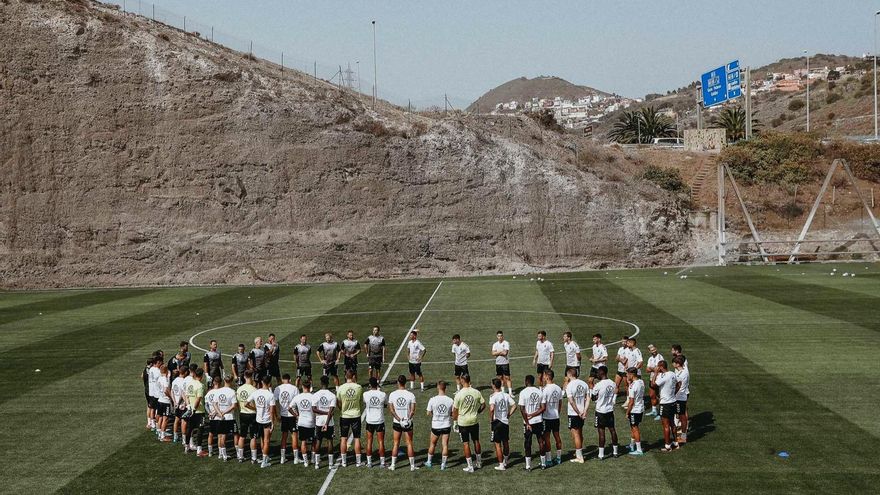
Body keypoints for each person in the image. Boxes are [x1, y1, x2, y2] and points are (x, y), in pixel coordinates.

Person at [453, 373, 485, 473]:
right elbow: (483, 404)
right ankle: (479, 462)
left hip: (463, 422)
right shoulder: (476, 392)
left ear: (462, 381)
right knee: (476, 440)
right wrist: (478, 411)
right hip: (474, 420)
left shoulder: (459, 394)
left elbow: (455, 410)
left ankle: (470, 466)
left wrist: (455, 422)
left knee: (466, 443)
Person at [388, 374, 418, 471]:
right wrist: (407, 419)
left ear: (398, 382)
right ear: (405, 382)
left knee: (396, 443)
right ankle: (412, 466)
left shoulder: (392, 394)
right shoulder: (411, 395)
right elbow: (412, 411)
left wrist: (399, 419)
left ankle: (393, 465)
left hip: (397, 422)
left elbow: (392, 410)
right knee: (409, 443)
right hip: (408, 422)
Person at [518, 375, 546, 471]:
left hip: (528, 423)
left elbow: (521, 409)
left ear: (526, 381)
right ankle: (543, 464)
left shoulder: (523, 392)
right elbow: (543, 408)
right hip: (539, 420)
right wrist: (534, 414)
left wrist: (527, 422)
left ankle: (528, 466)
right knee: (541, 441)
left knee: (528, 443)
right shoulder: (539, 391)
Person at [336, 370, 364, 467]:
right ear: (353, 376)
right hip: (356, 415)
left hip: (344, 416)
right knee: (357, 438)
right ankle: (358, 462)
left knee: (343, 438)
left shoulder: (341, 388)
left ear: (345, 376)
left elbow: (338, 401)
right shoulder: (358, 387)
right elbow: (360, 401)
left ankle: (344, 462)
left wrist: (342, 409)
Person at [591, 366, 619, 459]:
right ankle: (615, 452)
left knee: (601, 432)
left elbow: (593, 398)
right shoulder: (613, 383)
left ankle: (601, 454)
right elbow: (615, 393)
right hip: (610, 410)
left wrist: (592, 389)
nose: (597, 374)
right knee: (612, 430)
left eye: (598, 373)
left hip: (600, 411)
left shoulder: (598, 385)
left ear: (602, 372)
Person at [488, 378, 516, 471]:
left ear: (493, 385)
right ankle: (506, 461)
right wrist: (508, 415)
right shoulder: (506, 395)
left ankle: (501, 465)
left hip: (497, 422)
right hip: (505, 421)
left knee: (497, 444)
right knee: (506, 442)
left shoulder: (493, 396)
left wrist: (491, 419)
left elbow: (492, 409)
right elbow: (514, 405)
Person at [249, 375, 277, 468]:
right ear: (269, 384)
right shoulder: (270, 395)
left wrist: (255, 408)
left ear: (261, 382)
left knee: (262, 439)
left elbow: (246, 403)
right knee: (266, 440)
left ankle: (265, 457)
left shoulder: (256, 392)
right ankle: (264, 462)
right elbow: (272, 411)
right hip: (266, 420)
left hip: (258, 420)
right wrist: (273, 423)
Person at [425, 380, 453, 470]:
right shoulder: (450, 400)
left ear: (438, 387)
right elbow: (452, 413)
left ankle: (429, 462)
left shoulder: (433, 399)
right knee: (445, 445)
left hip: (436, 425)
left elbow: (428, 413)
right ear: (445, 388)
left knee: (432, 444)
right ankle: (443, 465)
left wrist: (435, 415)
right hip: (446, 425)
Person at [652, 360, 679, 452]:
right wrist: (673, 394)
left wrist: (655, 373)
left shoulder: (663, 377)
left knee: (665, 425)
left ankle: (667, 446)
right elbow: (679, 384)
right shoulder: (672, 373)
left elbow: (653, 385)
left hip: (665, 403)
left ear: (661, 367)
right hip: (673, 402)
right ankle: (676, 442)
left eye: (658, 367)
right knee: (672, 423)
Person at [564, 367, 590, 463]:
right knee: (579, 432)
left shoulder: (570, 385)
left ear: (569, 375)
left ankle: (579, 457)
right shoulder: (584, 383)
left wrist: (578, 412)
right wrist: (585, 410)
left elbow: (571, 401)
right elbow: (588, 398)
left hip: (574, 413)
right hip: (582, 412)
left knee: (575, 434)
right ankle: (578, 451)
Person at [274, 373, 300, 464]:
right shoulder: (294, 388)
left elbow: (275, 402)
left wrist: (277, 415)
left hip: (283, 415)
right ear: (290, 379)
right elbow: (297, 403)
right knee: (294, 436)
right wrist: (298, 415)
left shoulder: (277, 388)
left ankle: (282, 458)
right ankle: (296, 458)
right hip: (292, 415)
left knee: (284, 436)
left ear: (282, 379)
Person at [235, 370, 260, 463]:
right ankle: (253, 458)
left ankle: (240, 457)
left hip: (242, 414)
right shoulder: (254, 389)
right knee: (253, 437)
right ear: (252, 376)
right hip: (252, 414)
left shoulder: (239, 389)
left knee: (242, 436)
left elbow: (237, 402)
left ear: (244, 377)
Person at [313, 375, 338, 469]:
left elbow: (314, 409)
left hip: (319, 422)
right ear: (328, 383)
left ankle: (317, 464)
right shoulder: (332, 395)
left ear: (321, 383)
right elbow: (331, 412)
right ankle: (331, 464)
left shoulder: (315, 395)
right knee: (330, 441)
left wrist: (323, 413)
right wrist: (326, 423)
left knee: (318, 441)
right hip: (329, 422)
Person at [363, 377, 387, 468]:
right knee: (381, 442)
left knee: (369, 441)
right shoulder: (383, 394)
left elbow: (366, 403)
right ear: (377, 384)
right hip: (379, 420)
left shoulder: (365, 394)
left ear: (369, 384)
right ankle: (382, 463)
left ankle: (369, 463)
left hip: (370, 420)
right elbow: (385, 404)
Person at [541, 369, 564, 465]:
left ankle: (549, 459)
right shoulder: (558, 388)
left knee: (547, 438)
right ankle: (558, 458)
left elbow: (543, 406)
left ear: (546, 376)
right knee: (557, 436)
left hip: (547, 417)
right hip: (556, 417)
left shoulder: (545, 390)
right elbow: (560, 403)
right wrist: (557, 412)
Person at [294, 378, 317, 467]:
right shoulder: (313, 396)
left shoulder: (298, 397)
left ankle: (305, 461)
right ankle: (313, 458)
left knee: (303, 441)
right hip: (311, 422)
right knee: (313, 441)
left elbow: (290, 407)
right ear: (310, 386)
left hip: (301, 422)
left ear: (302, 386)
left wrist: (296, 415)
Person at [185, 368, 207, 457]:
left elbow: (186, 396)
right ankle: (199, 450)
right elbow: (198, 399)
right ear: (201, 376)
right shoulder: (200, 385)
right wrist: (194, 409)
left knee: (189, 429)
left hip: (190, 410)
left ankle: (187, 447)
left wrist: (189, 407)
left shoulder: (190, 384)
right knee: (200, 430)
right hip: (199, 411)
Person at [215, 377, 238, 461]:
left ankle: (223, 455)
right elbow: (234, 406)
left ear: (224, 381)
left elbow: (215, 404)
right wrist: (224, 412)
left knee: (222, 436)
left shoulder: (218, 391)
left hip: (221, 417)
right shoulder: (232, 392)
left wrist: (220, 413)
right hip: (230, 417)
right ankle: (238, 453)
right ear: (231, 381)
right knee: (235, 434)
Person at [624, 367, 645, 456]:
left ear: (631, 375)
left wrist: (627, 412)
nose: (626, 376)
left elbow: (631, 401)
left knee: (635, 428)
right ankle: (632, 445)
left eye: (627, 374)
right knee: (633, 427)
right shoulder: (641, 382)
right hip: (640, 408)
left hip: (635, 410)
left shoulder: (633, 386)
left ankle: (639, 449)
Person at [204, 376, 224, 456]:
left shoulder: (209, 392)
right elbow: (219, 406)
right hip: (218, 416)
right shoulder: (220, 392)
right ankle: (220, 454)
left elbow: (206, 405)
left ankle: (210, 452)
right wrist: (215, 413)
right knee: (220, 435)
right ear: (220, 383)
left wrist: (210, 413)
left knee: (211, 434)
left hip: (211, 417)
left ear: (213, 383)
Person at [673, 355, 690, 445]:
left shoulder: (682, 374)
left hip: (679, 397)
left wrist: (672, 394)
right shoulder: (683, 371)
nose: (673, 364)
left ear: (678, 364)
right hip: (680, 397)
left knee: (682, 416)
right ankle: (682, 435)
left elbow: (677, 386)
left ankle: (683, 437)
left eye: (674, 363)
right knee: (679, 415)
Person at [645, 344, 664, 418]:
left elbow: (659, 369)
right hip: (652, 379)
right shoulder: (650, 358)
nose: (653, 351)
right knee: (652, 395)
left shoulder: (660, 357)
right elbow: (647, 370)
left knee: (659, 396)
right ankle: (654, 410)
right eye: (652, 350)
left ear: (656, 349)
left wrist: (652, 369)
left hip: (659, 380)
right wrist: (654, 369)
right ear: (649, 351)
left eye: (654, 349)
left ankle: (660, 413)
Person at [492, 331, 514, 396]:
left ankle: (510, 393)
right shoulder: (495, 344)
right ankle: (503, 392)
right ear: (497, 336)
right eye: (498, 336)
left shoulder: (506, 343)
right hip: (498, 363)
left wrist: (497, 353)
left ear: (502, 336)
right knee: (500, 377)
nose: (500, 337)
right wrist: (501, 352)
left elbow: (505, 353)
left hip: (505, 363)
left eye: (501, 336)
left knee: (507, 377)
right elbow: (493, 353)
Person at [156, 364, 173, 442]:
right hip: (165, 401)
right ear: (166, 370)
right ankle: (163, 436)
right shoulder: (165, 379)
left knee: (160, 417)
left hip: (160, 400)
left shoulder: (159, 378)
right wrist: (171, 398)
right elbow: (166, 390)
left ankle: (159, 433)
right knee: (165, 418)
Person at [170, 366, 188, 443]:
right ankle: (184, 440)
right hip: (182, 404)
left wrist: (174, 402)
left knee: (176, 420)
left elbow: (172, 391)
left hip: (176, 404)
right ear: (186, 372)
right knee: (184, 422)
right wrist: (178, 402)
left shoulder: (175, 380)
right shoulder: (184, 381)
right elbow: (182, 393)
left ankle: (175, 437)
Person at [146, 356, 162, 432]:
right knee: (157, 409)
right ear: (158, 362)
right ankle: (156, 424)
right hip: (156, 392)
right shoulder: (157, 371)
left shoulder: (151, 369)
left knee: (152, 408)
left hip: (151, 391)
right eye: (160, 362)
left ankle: (152, 423)